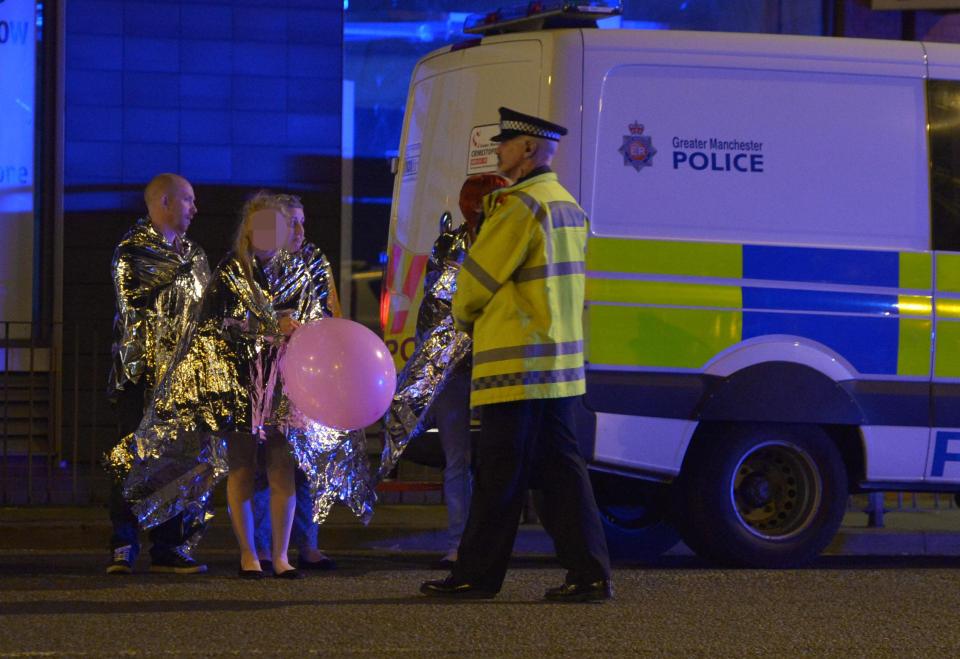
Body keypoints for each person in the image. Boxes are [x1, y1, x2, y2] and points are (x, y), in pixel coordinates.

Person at [123, 191, 375, 579]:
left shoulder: (300, 270)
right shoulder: (231, 270)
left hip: (285, 382)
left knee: (282, 467)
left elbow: (321, 317)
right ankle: (249, 554)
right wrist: (266, 326)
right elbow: (210, 327)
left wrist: (299, 330)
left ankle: (281, 555)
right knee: (242, 467)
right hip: (241, 383)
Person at [420, 107, 612, 602]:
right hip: (557, 367)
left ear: (528, 148)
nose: (497, 151)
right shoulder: (564, 203)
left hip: (515, 365)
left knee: (498, 476)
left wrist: (463, 318)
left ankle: (475, 576)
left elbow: (475, 284)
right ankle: (590, 573)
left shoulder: (518, 205)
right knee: (562, 474)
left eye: (504, 143)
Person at [380, 174, 510, 569]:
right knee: (458, 457)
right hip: (455, 367)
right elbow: (436, 305)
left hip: (495, 364)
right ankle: (459, 543)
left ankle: (486, 541)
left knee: (497, 458)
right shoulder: (450, 243)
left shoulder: (504, 241)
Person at [103, 173, 210, 575]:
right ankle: (123, 543)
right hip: (141, 375)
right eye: (188, 200)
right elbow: (136, 312)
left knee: (179, 461)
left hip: (184, 378)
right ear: (164, 202)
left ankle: (170, 545)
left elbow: (204, 311)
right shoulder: (132, 251)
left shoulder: (195, 254)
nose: (195, 208)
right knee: (133, 460)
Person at [253, 193, 344, 571]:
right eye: (292, 222)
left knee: (305, 463)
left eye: (302, 221)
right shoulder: (257, 264)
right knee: (265, 463)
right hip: (264, 375)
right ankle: (263, 549)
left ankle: (306, 544)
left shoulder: (314, 261)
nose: (301, 230)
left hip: (307, 374)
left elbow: (332, 311)